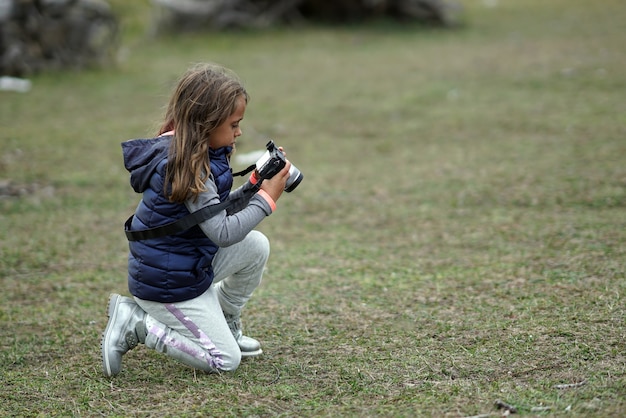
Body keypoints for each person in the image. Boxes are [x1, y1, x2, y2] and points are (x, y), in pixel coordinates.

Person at [101, 63, 292, 377]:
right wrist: (266, 199)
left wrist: (255, 183)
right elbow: (222, 232)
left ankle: (226, 324)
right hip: (168, 285)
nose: (239, 132)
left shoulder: (197, 151)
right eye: (233, 124)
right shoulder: (189, 166)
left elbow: (211, 212)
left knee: (255, 246)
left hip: (187, 265)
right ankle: (137, 324)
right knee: (225, 360)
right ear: (206, 123)